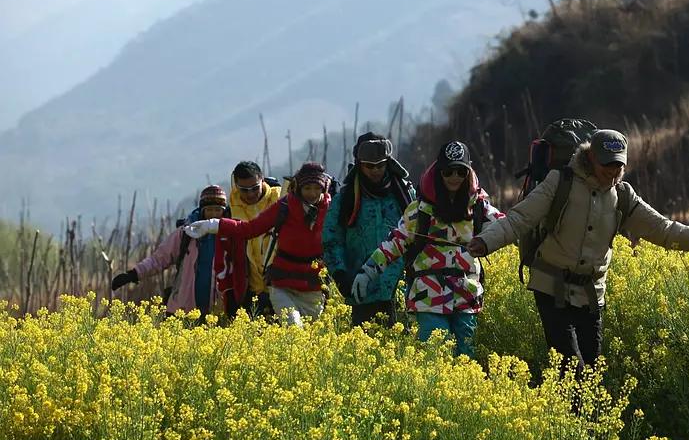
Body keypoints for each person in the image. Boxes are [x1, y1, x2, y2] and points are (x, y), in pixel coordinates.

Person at [467, 129, 689, 372]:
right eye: (607, 164)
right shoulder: (559, 182)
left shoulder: (623, 195)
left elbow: (662, 229)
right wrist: (485, 241)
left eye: (618, 165)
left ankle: (584, 425)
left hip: (591, 294)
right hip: (551, 287)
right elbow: (519, 219)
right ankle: (570, 424)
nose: (613, 171)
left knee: (592, 371)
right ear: (591, 159)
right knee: (570, 367)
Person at [351, 141, 503, 358]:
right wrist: (368, 272)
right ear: (439, 172)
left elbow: (506, 228)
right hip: (428, 296)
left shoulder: (479, 208)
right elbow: (395, 242)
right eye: (448, 171)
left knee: (467, 356)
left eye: (461, 171)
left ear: (468, 173)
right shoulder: (420, 211)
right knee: (435, 355)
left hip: (466, 295)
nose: (454, 177)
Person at [187, 162, 331, 326]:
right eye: (307, 188)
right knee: (293, 330)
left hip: (313, 287)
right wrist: (213, 225)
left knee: (310, 338)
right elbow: (250, 229)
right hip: (281, 284)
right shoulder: (285, 206)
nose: (312, 193)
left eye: (316, 188)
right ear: (298, 188)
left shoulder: (332, 210)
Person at [323, 133, 415, 326]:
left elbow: (417, 233)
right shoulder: (346, 198)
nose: (375, 171)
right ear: (359, 164)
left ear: (388, 163)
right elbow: (332, 240)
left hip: (401, 287)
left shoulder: (405, 192)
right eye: (369, 166)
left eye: (380, 165)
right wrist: (340, 275)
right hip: (361, 287)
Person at [110, 185, 229, 317]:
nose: (213, 215)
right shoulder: (187, 234)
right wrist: (134, 274)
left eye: (218, 210)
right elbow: (159, 259)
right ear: (202, 211)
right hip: (185, 309)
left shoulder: (231, 236)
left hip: (219, 310)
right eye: (209, 210)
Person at [224, 161, 283, 317]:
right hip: (252, 289)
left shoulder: (281, 199)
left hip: (283, 284)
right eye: (244, 190)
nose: (250, 194)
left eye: (254, 188)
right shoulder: (231, 210)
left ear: (262, 179)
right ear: (235, 185)